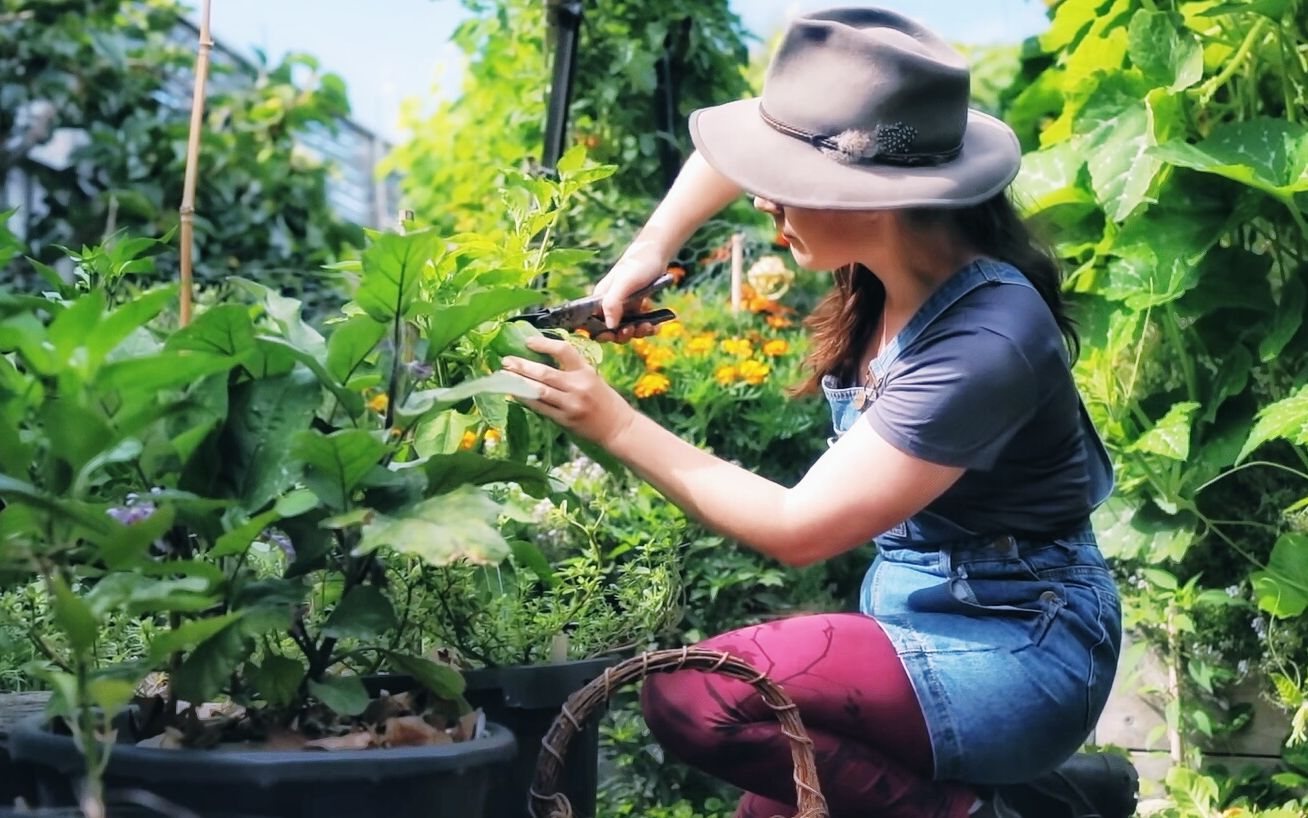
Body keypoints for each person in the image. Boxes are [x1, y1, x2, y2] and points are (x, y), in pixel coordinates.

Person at [500, 7, 1139, 818]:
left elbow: (800, 530)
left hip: (1020, 651)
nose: (763, 200)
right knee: (779, 807)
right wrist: (646, 251)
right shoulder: (893, 257)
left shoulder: (991, 339)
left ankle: (994, 809)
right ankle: (1054, 802)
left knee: (699, 696)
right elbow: (724, 158)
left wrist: (616, 425)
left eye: (788, 185)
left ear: (873, 194)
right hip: (914, 625)